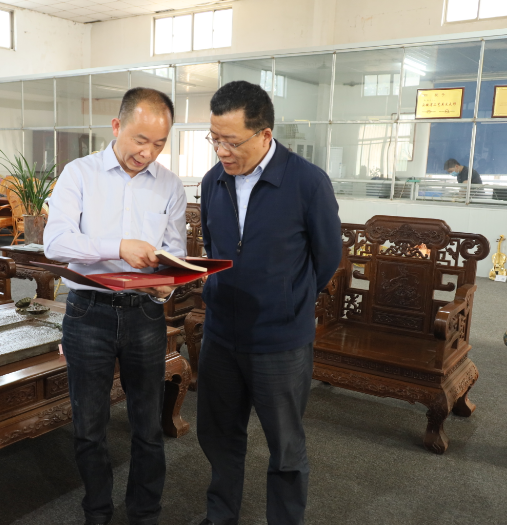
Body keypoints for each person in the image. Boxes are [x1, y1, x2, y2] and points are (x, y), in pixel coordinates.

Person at [196, 80, 342, 525]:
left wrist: (286, 300)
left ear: (264, 134)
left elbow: (327, 258)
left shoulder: (307, 182)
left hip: (280, 341)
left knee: (285, 446)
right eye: (214, 139)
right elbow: (213, 247)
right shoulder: (213, 181)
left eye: (232, 141)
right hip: (220, 335)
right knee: (219, 437)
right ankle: (220, 516)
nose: (221, 151)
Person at [44, 87, 187, 525]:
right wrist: (118, 247)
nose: (147, 152)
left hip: (145, 314)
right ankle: (98, 513)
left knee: (147, 426)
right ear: (116, 126)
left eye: (159, 143)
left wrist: (166, 286)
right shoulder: (79, 174)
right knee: (90, 427)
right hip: (89, 313)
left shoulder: (169, 186)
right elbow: (56, 243)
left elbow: (174, 254)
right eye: (140, 140)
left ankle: (145, 514)